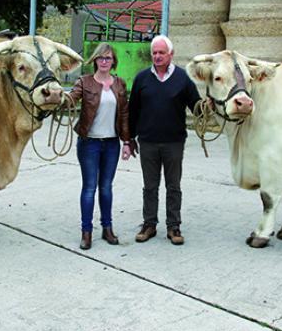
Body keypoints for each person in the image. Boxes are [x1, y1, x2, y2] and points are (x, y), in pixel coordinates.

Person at [128, 35, 201, 246]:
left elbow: (195, 105)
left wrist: (207, 106)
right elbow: (133, 111)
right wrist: (129, 139)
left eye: (161, 53)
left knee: (173, 186)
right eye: (154, 53)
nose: (157, 56)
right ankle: (149, 224)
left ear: (171, 54)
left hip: (174, 143)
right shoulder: (141, 78)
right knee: (150, 186)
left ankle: (173, 226)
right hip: (148, 142)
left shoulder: (183, 78)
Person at [69, 43, 132, 250]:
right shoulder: (84, 82)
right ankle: (86, 232)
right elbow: (70, 100)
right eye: (101, 58)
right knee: (89, 188)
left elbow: (124, 115)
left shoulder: (120, 84)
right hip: (89, 143)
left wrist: (127, 142)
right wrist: (55, 96)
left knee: (106, 188)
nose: (105, 61)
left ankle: (107, 229)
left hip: (112, 144)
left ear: (114, 61)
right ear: (95, 60)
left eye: (108, 58)